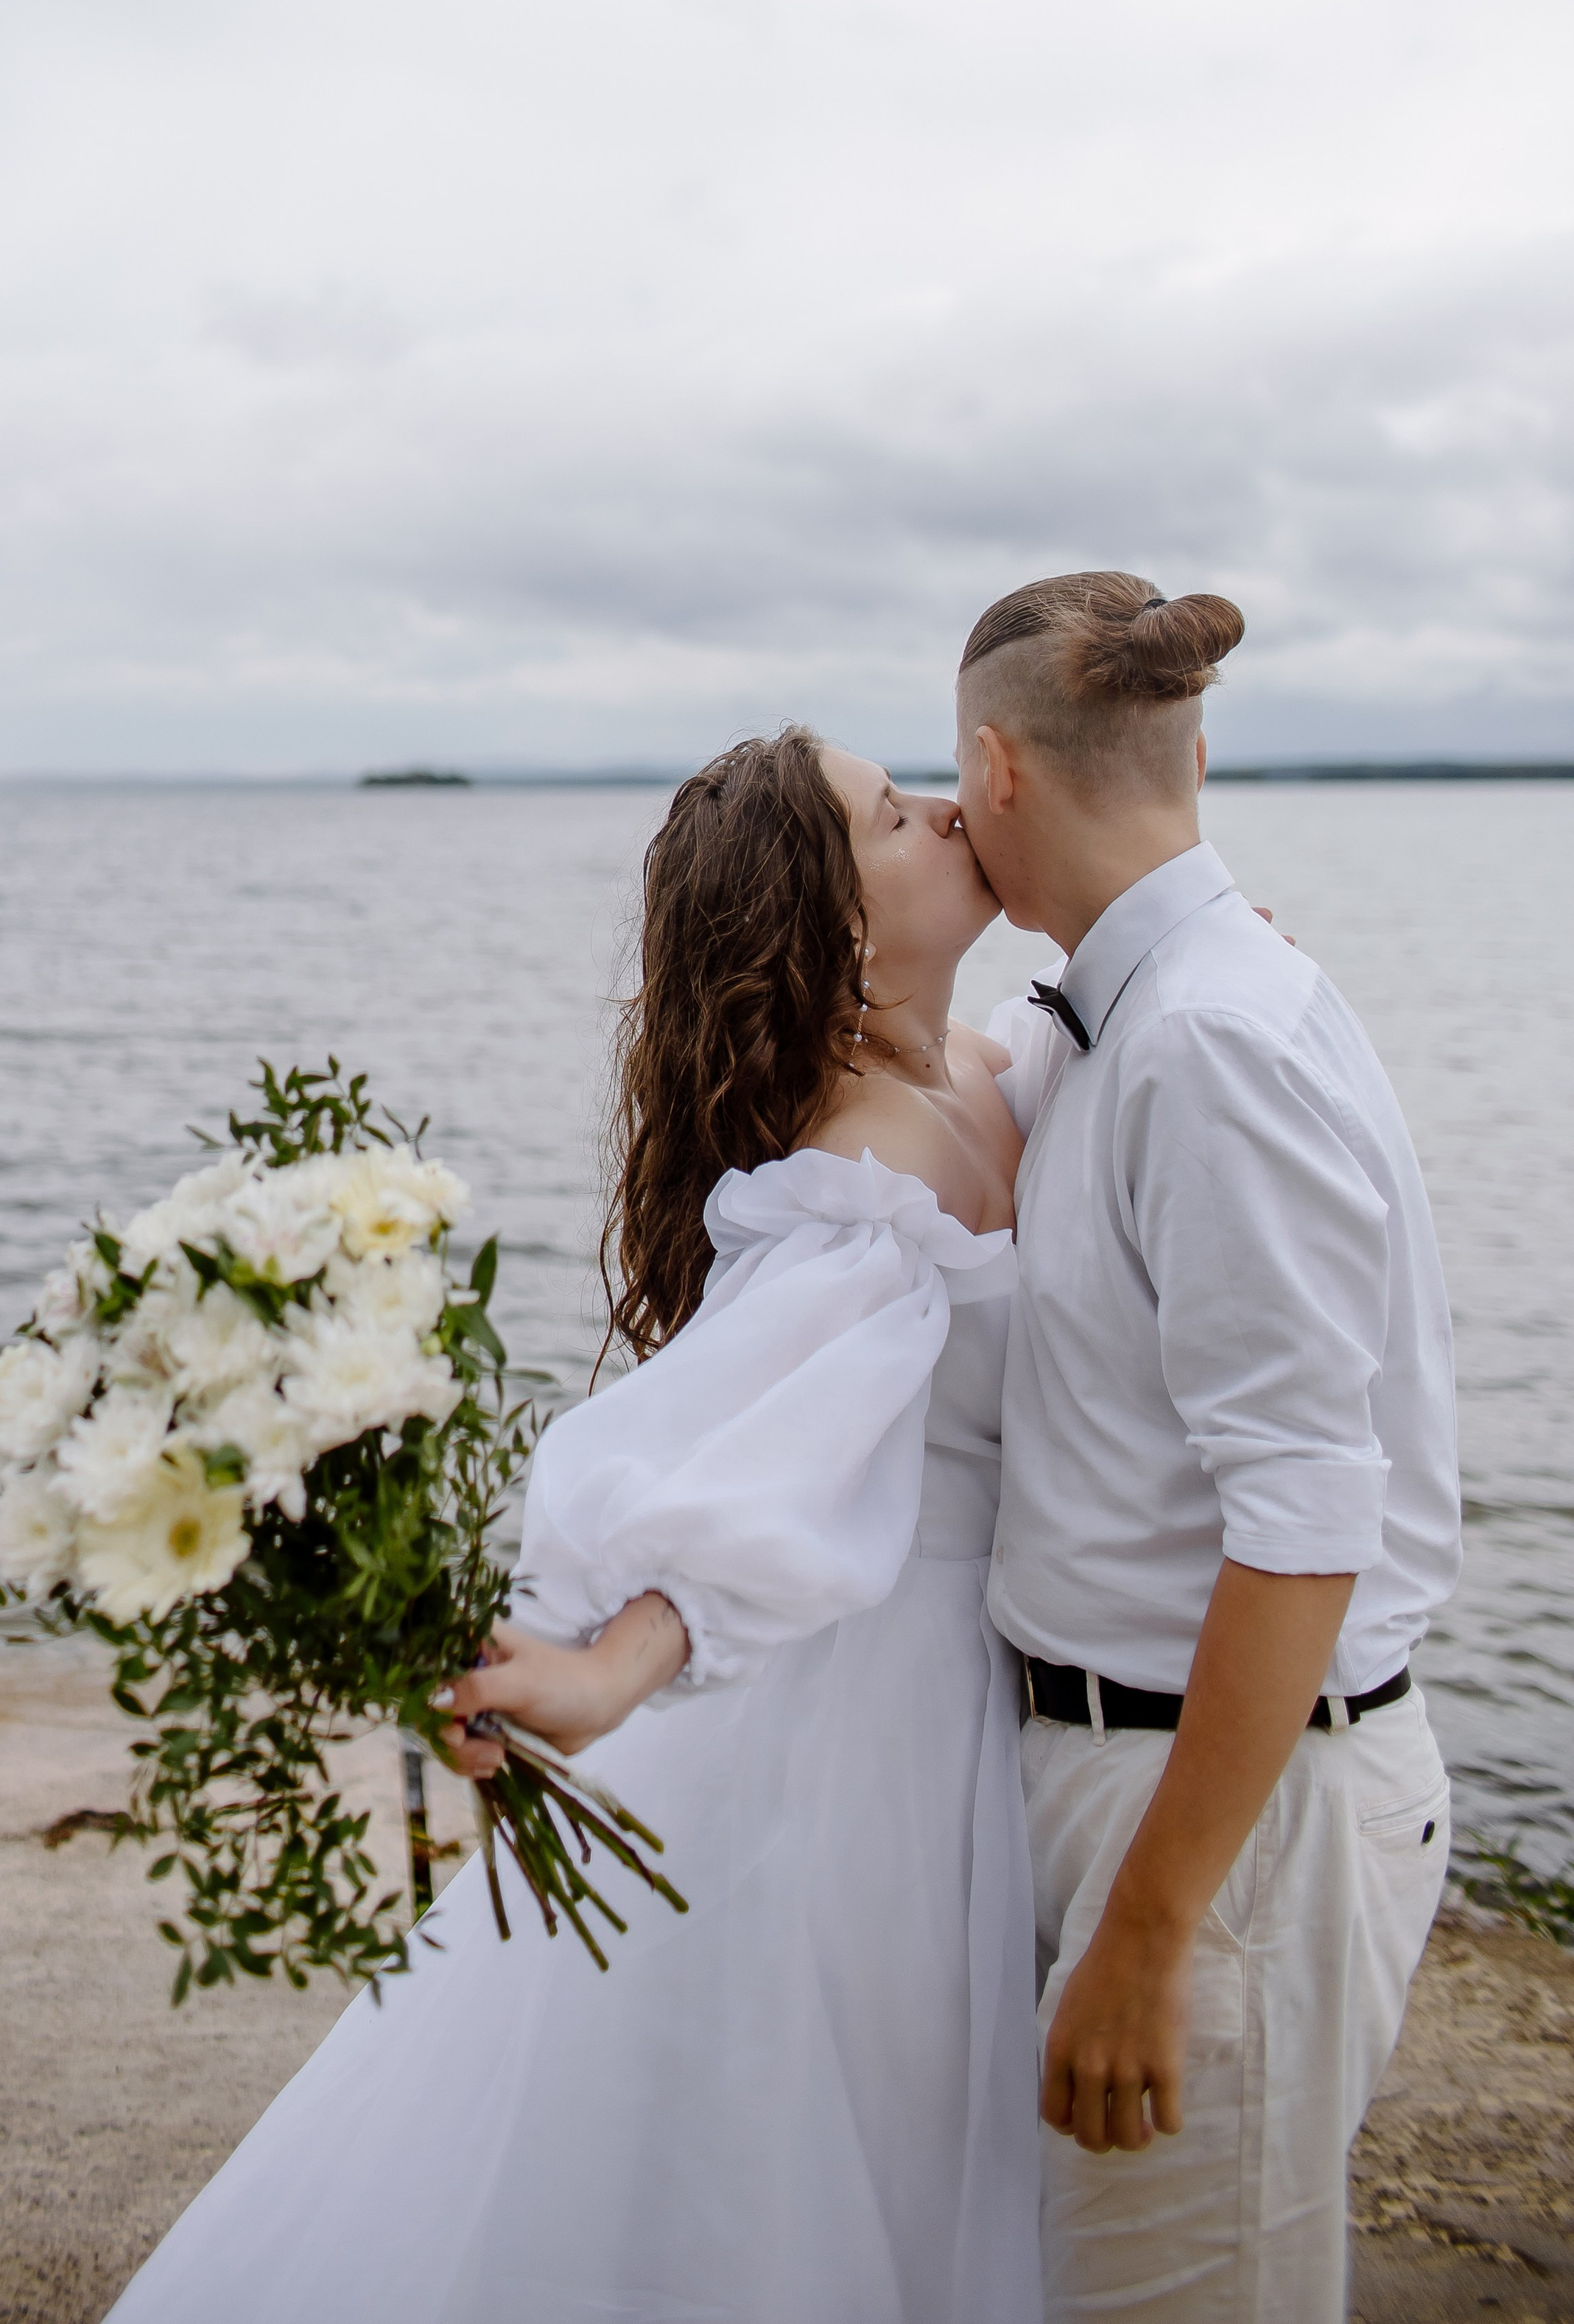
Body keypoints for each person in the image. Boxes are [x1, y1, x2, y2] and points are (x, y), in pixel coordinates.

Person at [103, 727, 1046, 2324]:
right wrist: (613, 1665)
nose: (946, 807)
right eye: (894, 812)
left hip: (969, 1690)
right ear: (820, 924)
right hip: (863, 1725)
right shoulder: (854, 1175)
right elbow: (770, 1459)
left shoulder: (991, 1064)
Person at [954, 571, 1461, 2323]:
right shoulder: (1128, 1012)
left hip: (1224, 1821)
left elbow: (1308, 1520)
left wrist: (1152, 1928)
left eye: (952, 782)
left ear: (998, 766)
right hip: (1152, 1782)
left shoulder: (1209, 1041)